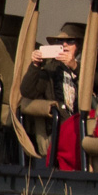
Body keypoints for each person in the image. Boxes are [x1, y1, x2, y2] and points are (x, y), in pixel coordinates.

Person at [21, 21, 87, 171]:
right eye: (60, 41)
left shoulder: (88, 66)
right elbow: (27, 91)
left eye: (70, 41)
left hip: (82, 121)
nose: (64, 45)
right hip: (62, 125)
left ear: (80, 46)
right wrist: (35, 66)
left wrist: (75, 67)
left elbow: (96, 82)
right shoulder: (51, 67)